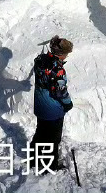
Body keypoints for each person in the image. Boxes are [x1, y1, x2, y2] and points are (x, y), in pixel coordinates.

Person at [30, 35, 73, 171]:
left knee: (40, 133)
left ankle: (33, 160)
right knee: (53, 139)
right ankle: (51, 165)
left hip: (40, 106)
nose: (67, 55)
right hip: (53, 110)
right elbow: (60, 92)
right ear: (61, 54)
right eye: (66, 53)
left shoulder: (40, 60)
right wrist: (68, 103)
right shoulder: (57, 69)